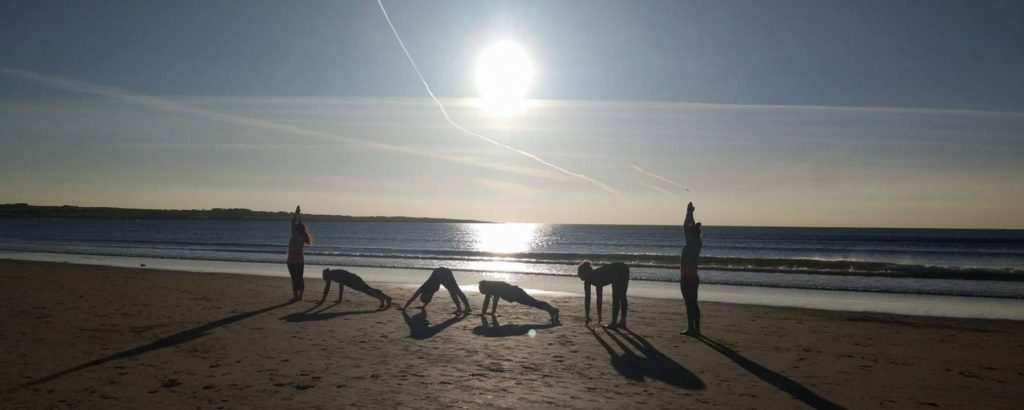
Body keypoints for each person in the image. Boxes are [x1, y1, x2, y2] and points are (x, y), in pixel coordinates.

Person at [577, 261, 630, 328]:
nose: (579, 276)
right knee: (622, 297)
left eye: (580, 274)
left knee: (616, 297)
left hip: (618, 271)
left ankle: (614, 322)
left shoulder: (591, 278)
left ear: (584, 273)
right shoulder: (594, 274)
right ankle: (623, 321)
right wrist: (597, 315)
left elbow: (589, 298)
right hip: (624, 268)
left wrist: (588, 316)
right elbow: (598, 298)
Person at [478, 280, 559, 324]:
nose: (483, 292)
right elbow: (494, 300)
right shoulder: (492, 285)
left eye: (482, 290)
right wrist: (492, 312)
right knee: (534, 303)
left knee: (534, 303)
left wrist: (483, 313)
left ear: (485, 286)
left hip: (517, 294)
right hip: (516, 293)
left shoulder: (491, 287)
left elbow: (487, 301)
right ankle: (551, 310)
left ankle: (553, 310)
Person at [402, 267, 471, 314]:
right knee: (456, 289)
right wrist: (423, 306)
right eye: (429, 298)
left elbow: (413, 297)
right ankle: (467, 307)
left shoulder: (423, 288)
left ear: (424, 295)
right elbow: (428, 300)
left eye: (428, 297)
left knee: (453, 290)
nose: (430, 297)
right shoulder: (430, 293)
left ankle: (461, 308)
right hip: (444, 272)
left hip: (439, 273)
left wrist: (404, 308)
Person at [680, 201, 703, 336]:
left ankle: (694, 328)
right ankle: (694, 328)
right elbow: (688, 227)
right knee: (691, 303)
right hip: (689, 276)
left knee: (691, 303)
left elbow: (686, 227)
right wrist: (690, 214)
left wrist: (689, 213)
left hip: (689, 277)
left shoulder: (694, 243)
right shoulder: (697, 242)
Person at [320, 268, 392, 310]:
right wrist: (339, 300)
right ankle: (382, 299)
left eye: (325, 278)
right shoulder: (331, 274)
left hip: (354, 280)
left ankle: (386, 297)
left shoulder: (334, 274)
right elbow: (331, 287)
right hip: (352, 281)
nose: (327, 280)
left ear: (327, 274)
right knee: (367, 290)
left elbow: (336, 287)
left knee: (368, 289)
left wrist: (324, 300)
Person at [287, 205, 313, 302]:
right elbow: (298, 223)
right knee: (299, 278)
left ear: (297, 229)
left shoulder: (295, 233)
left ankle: (296, 296)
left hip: (292, 260)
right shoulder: (303, 237)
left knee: (294, 278)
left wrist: (296, 213)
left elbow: (293, 222)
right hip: (298, 260)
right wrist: (298, 214)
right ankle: (299, 296)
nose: (294, 226)